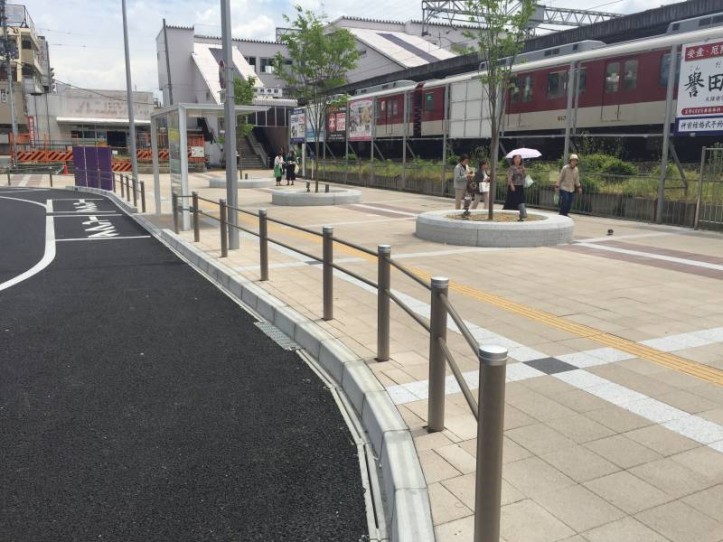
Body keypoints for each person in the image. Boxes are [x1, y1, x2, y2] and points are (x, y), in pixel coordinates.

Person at [503, 154, 527, 221]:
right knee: (511, 201)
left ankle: (522, 214)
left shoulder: (522, 167)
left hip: (520, 186)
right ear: (513, 160)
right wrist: (511, 185)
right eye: (516, 158)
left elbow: (523, 177)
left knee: (521, 200)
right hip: (513, 186)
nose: (518, 160)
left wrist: (523, 172)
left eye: (519, 158)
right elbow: (509, 177)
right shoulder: (511, 168)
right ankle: (508, 214)